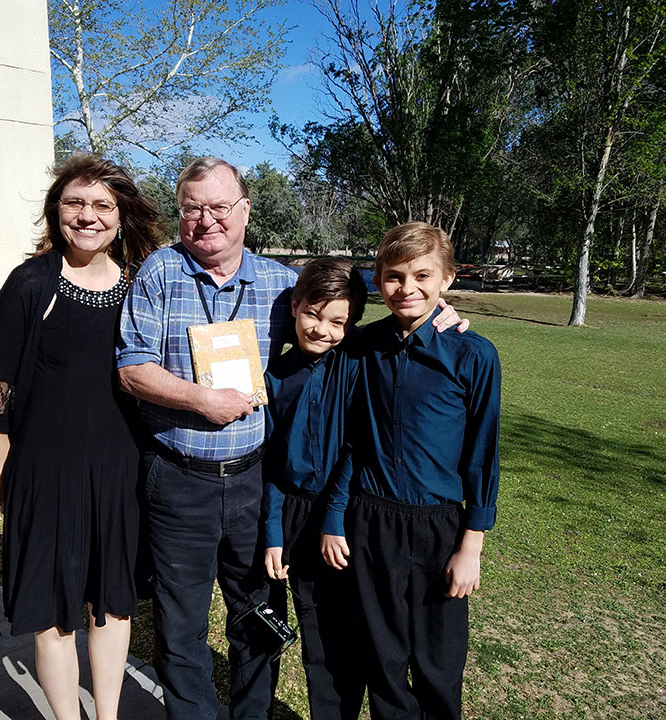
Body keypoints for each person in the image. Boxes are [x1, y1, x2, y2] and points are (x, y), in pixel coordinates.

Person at [116, 157, 467, 720]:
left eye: (219, 207)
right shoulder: (160, 272)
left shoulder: (282, 287)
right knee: (179, 621)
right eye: (191, 208)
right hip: (178, 480)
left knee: (256, 615)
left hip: (254, 481)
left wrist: (439, 313)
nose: (206, 219)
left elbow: (341, 318)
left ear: (245, 211)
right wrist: (202, 400)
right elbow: (132, 367)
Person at [0, 153, 162, 720]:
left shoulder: (142, 286)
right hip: (44, 473)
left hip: (120, 472)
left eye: (102, 205)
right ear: (56, 211)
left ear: (121, 217)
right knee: (52, 611)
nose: (87, 215)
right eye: (75, 203)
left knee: (112, 606)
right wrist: (4, 470)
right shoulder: (31, 283)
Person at [321, 222, 501, 720]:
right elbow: (351, 437)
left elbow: (482, 455)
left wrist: (471, 546)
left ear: (448, 279)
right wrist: (337, 515)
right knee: (384, 657)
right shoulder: (361, 347)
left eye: (423, 275)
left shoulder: (473, 354)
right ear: (378, 281)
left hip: (439, 525)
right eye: (394, 277)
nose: (407, 288)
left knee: (438, 663)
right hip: (371, 519)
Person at [261, 257, 368, 720]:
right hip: (285, 511)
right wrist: (272, 532)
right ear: (295, 306)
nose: (322, 329)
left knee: (330, 637)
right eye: (312, 314)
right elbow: (267, 462)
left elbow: (356, 445)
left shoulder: (362, 359)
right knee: (264, 627)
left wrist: (444, 311)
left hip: (339, 518)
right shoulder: (275, 376)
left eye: (337, 321)